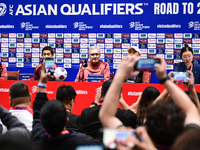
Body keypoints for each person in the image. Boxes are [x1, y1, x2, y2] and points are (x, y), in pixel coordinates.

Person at [99, 55, 200, 149]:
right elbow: (192, 110)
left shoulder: (133, 142)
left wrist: (120, 74)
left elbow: (106, 116)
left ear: (146, 129)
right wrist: (188, 88)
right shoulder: (191, 142)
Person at [31, 63, 95, 150]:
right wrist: (95, 104)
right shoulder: (81, 140)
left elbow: (38, 113)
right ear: (66, 121)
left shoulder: (37, 138)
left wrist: (42, 83)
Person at [68, 79, 140, 141]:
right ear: (119, 95)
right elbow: (135, 119)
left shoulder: (87, 113)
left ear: (101, 94)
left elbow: (84, 117)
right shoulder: (127, 116)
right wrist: (121, 100)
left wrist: (95, 102)